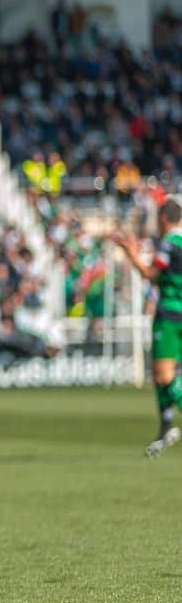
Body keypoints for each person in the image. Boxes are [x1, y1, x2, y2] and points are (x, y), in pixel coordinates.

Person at [113, 195, 182, 457]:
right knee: (167, 375)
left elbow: (151, 274)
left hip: (171, 314)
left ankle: (166, 428)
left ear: (164, 218)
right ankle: (165, 430)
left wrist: (131, 254)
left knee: (164, 375)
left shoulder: (169, 243)